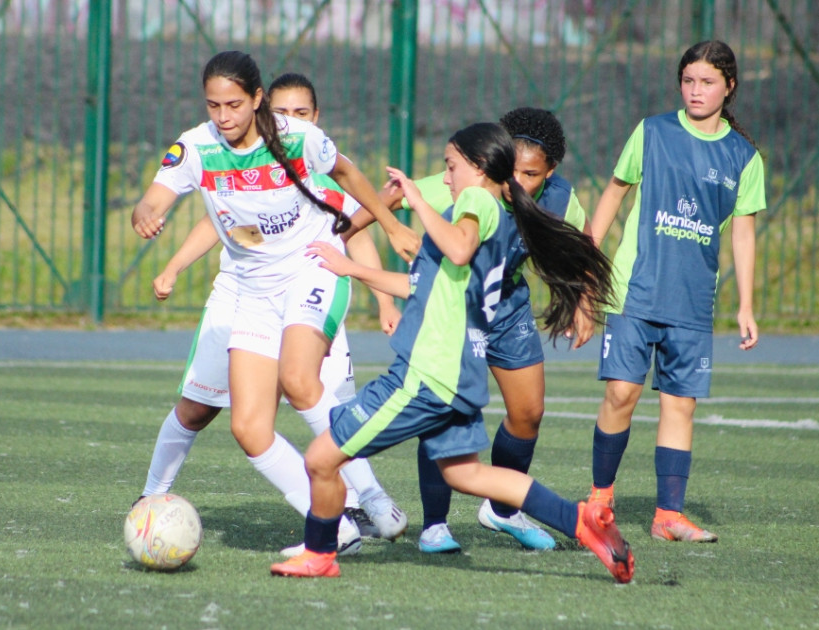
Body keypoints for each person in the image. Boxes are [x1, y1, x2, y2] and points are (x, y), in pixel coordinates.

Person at [270, 122, 634, 583]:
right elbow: (420, 284)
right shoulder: (499, 217)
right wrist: (350, 268)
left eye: (451, 166)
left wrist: (416, 203)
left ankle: (319, 554)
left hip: (424, 375)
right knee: (467, 475)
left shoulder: (476, 201)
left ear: (479, 169)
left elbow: (458, 251)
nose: (445, 178)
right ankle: (580, 520)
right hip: (459, 374)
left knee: (321, 458)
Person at [130, 52, 419, 553]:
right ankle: (338, 529)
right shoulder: (196, 146)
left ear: (258, 99)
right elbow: (155, 197)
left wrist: (392, 226)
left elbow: (349, 174)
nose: (223, 116)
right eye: (213, 105)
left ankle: (364, 498)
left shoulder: (296, 137)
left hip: (311, 269)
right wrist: (146, 214)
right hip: (251, 289)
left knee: (301, 380)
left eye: (234, 105)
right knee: (247, 427)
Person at [377, 108, 593, 554]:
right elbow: (386, 201)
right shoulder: (467, 180)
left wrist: (584, 302)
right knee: (442, 409)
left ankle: (502, 510)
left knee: (528, 412)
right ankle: (434, 524)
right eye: (511, 169)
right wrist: (380, 225)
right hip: (456, 309)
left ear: (550, 173)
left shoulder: (558, 197)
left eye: (531, 174)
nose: (517, 180)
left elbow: (584, 242)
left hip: (508, 307)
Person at [585, 40, 764, 543]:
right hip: (634, 292)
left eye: (707, 82)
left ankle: (669, 515)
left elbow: (743, 233)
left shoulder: (744, 157)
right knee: (621, 392)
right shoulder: (651, 132)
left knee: (680, 405)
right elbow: (614, 193)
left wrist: (746, 304)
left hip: (691, 301)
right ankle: (600, 499)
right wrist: (585, 264)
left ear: (729, 87)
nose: (695, 91)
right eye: (688, 81)